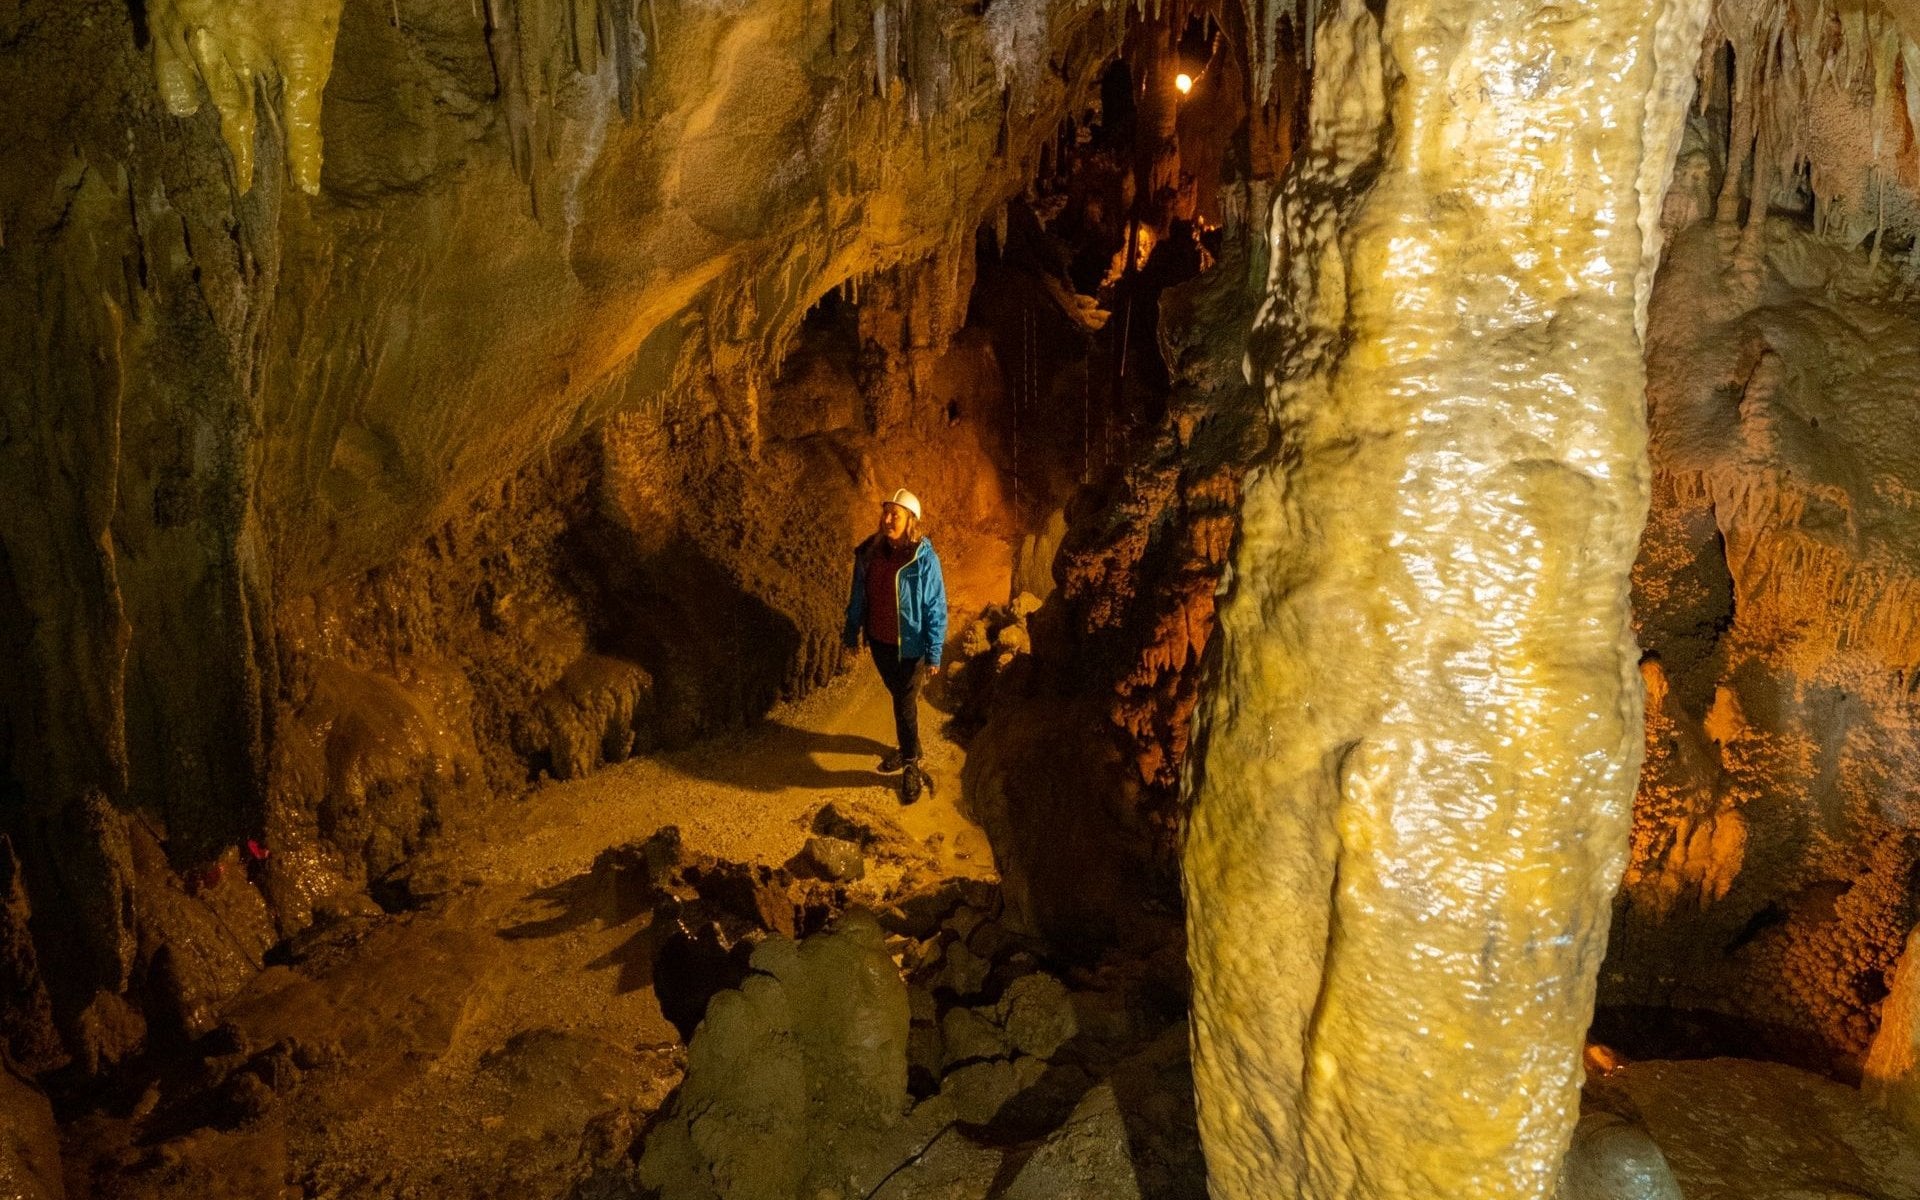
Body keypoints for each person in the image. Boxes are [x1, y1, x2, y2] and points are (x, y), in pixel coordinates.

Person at [842, 488, 948, 802]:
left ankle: (911, 765)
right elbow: (858, 596)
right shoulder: (870, 552)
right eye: (886, 512)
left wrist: (934, 649)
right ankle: (907, 747)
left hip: (911, 646)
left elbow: (935, 605)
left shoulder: (923, 559)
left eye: (895, 514)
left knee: (904, 702)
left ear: (910, 520)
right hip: (880, 641)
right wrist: (852, 634)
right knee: (899, 699)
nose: (888, 519)